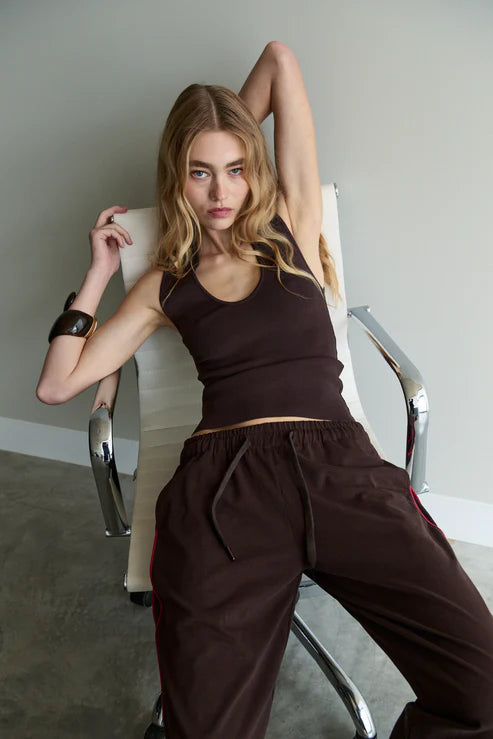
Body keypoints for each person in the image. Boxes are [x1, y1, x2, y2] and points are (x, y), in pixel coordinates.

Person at [36, 41, 493, 739]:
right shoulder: (164, 283)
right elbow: (57, 384)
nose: (221, 193)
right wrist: (98, 273)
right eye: (199, 173)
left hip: (341, 471)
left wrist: (223, 131)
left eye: (236, 169)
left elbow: (279, 60)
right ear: (177, 177)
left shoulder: (292, 230)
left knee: (483, 687)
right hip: (225, 493)